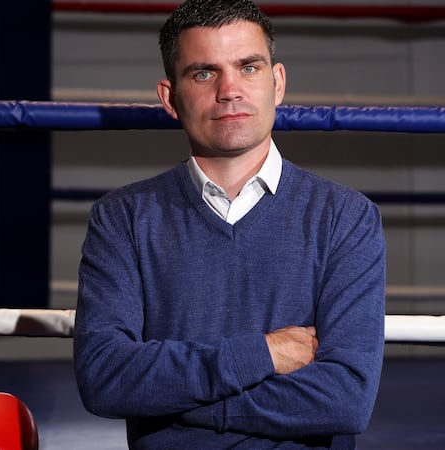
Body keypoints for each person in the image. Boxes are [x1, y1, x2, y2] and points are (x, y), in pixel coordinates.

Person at [72, 1, 386, 448]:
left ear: (277, 83)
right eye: (204, 73)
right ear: (170, 98)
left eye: (249, 67)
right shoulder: (121, 218)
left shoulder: (346, 218)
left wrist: (174, 402)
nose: (230, 90)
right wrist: (264, 353)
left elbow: (345, 399)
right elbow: (105, 377)